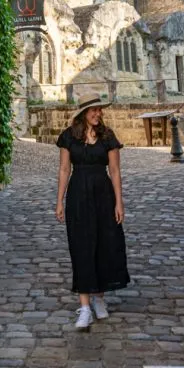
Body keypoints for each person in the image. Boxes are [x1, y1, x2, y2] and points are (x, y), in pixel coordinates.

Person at [56, 93, 129, 330]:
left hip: (103, 196)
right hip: (78, 196)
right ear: (83, 114)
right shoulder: (69, 137)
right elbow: (65, 170)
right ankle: (84, 307)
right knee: (81, 247)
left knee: (104, 245)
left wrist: (119, 202)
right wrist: (59, 201)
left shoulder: (108, 136)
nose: (97, 114)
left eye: (99, 110)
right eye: (92, 111)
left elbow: (115, 171)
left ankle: (99, 299)